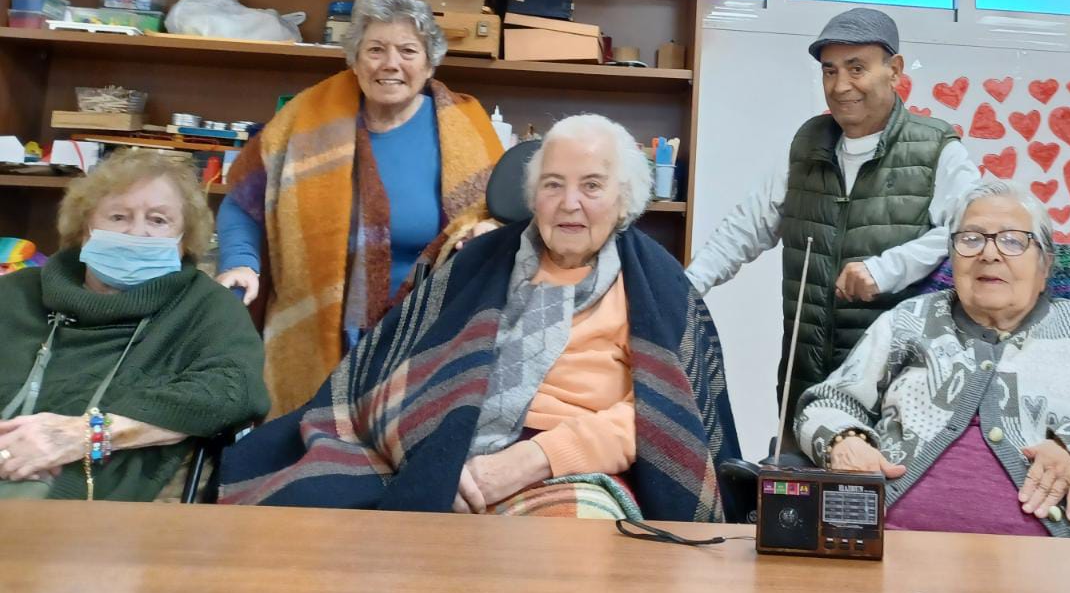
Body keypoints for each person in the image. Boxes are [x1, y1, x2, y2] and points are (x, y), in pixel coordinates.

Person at [219, 115, 741, 522]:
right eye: (553, 184)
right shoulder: (480, 257)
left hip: (569, 464)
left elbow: (665, 414)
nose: (569, 204)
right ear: (532, 195)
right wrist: (442, 451)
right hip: (448, 436)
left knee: (570, 536)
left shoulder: (657, 284)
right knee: (302, 507)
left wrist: (535, 459)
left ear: (624, 198)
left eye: (592, 186)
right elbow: (408, 363)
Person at [793, 180, 1070, 539]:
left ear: (1045, 265)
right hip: (894, 552)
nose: (989, 254)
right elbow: (826, 401)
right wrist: (843, 442)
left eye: (1012, 240)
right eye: (971, 239)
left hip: (1063, 573)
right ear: (953, 258)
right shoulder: (909, 322)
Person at [215, 0, 503, 417]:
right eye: (376, 49)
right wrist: (240, 261)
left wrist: (488, 230)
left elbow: (500, 215)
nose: (391, 64)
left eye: (408, 50)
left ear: (429, 63)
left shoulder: (467, 125)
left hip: (429, 338)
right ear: (354, 58)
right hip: (318, 334)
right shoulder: (305, 118)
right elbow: (241, 201)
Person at [685, 7, 981, 418]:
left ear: (894, 70)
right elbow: (747, 226)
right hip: (805, 377)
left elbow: (970, 233)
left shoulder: (936, 149)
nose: (841, 86)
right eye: (830, 71)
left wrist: (886, 269)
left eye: (856, 68)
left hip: (899, 386)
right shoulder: (807, 145)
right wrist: (687, 287)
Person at [0, 150, 269, 501]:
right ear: (85, 229)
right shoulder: (16, 292)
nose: (137, 233)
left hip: (99, 493)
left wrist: (84, 435)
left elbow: (234, 389)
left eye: (158, 221)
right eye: (118, 216)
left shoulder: (206, 306)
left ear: (183, 240)